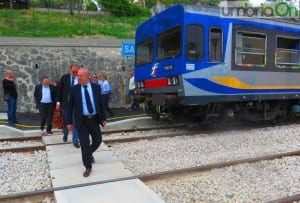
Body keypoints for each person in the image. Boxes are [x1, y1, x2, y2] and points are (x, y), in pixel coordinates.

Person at [67, 67, 107, 177]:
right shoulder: (74, 89)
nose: (78, 77)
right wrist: (69, 122)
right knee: (84, 145)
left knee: (98, 140)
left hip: (94, 119)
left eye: (80, 76)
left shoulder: (96, 88)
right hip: (82, 121)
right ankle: (88, 167)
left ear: (87, 76)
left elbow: (100, 104)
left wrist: (103, 118)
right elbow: (70, 107)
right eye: (77, 75)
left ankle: (88, 154)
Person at [56, 64, 80, 148]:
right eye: (74, 72)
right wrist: (58, 103)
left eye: (77, 72)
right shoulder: (64, 78)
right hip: (66, 104)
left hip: (76, 106)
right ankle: (65, 134)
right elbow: (59, 90)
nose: (75, 73)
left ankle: (75, 140)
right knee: (66, 122)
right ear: (70, 70)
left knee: (75, 123)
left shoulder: (80, 78)